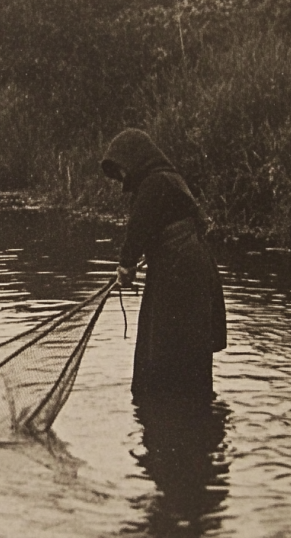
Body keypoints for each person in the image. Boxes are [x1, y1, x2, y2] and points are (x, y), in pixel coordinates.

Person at [100, 128, 226, 403]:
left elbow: (138, 229)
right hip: (186, 265)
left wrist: (126, 265)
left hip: (180, 270)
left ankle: (166, 407)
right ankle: (189, 407)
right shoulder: (170, 179)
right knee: (183, 338)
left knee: (168, 338)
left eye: (121, 169)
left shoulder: (154, 183)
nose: (122, 177)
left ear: (134, 160)